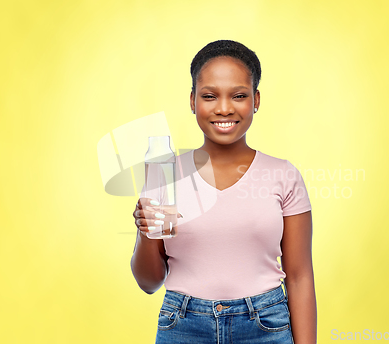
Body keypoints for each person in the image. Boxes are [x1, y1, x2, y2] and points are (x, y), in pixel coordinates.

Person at [131, 39, 317, 344]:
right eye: (209, 96)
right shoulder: (163, 175)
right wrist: (144, 231)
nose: (224, 108)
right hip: (183, 326)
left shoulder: (283, 175)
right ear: (192, 101)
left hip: (266, 327)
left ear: (256, 100)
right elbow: (149, 282)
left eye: (239, 95)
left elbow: (299, 278)